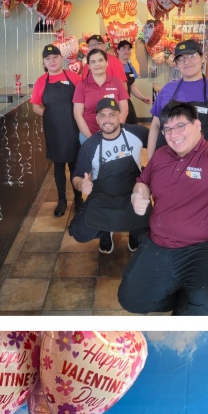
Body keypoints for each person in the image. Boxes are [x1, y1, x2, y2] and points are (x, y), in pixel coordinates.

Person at [119, 100, 208, 315]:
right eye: (168, 129)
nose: (174, 134)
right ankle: (186, 297)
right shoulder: (161, 155)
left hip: (204, 248)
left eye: (181, 126)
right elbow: (143, 181)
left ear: (197, 125)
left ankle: (194, 303)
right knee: (131, 300)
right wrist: (139, 193)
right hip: (160, 243)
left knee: (205, 309)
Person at [69, 97, 149, 256]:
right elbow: (76, 176)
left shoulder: (137, 133)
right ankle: (105, 233)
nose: (107, 120)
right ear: (97, 119)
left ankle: (134, 234)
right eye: (103, 115)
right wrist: (80, 185)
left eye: (112, 114)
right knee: (79, 232)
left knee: (148, 235)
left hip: (132, 195)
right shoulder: (90, 146)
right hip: (102, 197)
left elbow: (159, 141)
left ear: (120, 116)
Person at [146, 39, 208, 159]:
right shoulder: (167, 89)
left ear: (202, 58)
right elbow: (155, 126)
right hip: (166, 161)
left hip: (201, 161)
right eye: (181, 59)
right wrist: (150, 161)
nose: (186, 62)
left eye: (191, 56)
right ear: (176, 64)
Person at [30, 44, 81, 217]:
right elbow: (36, 106)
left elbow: (82, 101)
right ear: (44, 62)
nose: (52, 61)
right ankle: (61, 200)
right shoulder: (41, 81)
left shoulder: (74, 77)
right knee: (58, 166)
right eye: (48, 58)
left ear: (61, 58)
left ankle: (79, 198)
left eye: (55, 57)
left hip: (74, 127)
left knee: (75, 165)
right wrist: (50, 114)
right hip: (54, 129)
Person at [73, 47, 129, 141]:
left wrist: (115, 132)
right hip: (88, 134)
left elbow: (124, 110)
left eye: (100, 60)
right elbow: (78, 115)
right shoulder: (82, 85)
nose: (97, 64)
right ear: (89, 66)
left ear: (106, 63)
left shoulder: (117, 82)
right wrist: (90, 139)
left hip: (114, 134)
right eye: (93, 62)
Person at [116, 39, 151, 123]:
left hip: (127, 101)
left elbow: (133, 87)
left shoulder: (131, 67)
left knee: (132, 125)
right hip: (115, 103)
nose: (127, 51)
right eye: (124, 48)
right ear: (118, 51)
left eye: (129, 49)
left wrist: (142, 98)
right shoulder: (112, 66)